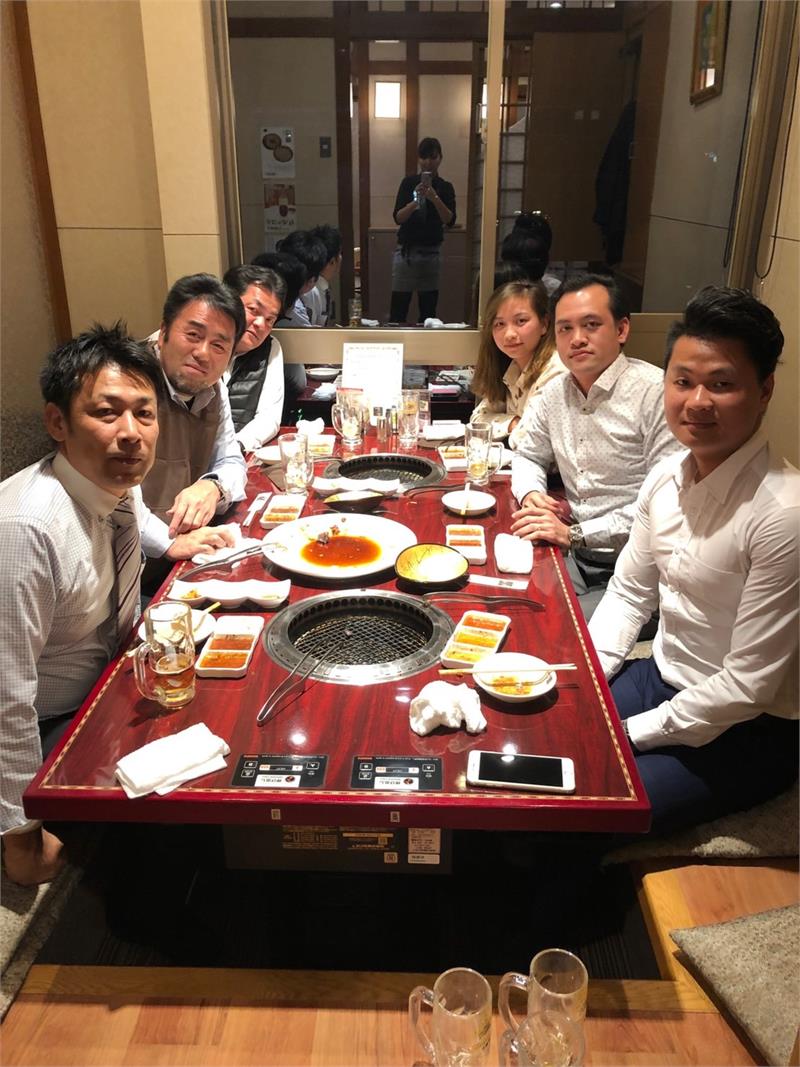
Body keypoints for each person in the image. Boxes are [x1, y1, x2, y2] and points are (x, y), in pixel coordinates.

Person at [589, 286, 798, 834]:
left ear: (764, 390)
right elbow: (629, 593)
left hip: (748, 728)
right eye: (682, 381)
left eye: (721, 384)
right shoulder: (665, 478)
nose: (697, 401)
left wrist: (631, 733)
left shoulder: (784, 515)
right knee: (549, 737)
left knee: (589, 804)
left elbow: (747, 687)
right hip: (658, 675)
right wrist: (589, 679)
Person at [0, 325, 164, 885]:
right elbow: (6, 696)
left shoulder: (113, 485)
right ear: (57, 422)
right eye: (107, 413)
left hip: (105, 682)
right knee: (158, 827)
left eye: (145, 414)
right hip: (50, 718)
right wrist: (22, 836)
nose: (131, 434)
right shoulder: (27, 529)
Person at [510, 273, 680, 618]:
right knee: (510, 600)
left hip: (642, 572)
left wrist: (575, 533)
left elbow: (667, 507)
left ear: (622, 330)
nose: (577, 339)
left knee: (551, 625)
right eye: (565, 329)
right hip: (577, 557)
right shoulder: (555, 393)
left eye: (591, 325)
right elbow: (528, 454)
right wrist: (531, 494)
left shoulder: (656, 395)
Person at [139, 274, 246, 557]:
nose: (203, 353)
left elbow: (231, 460)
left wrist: (213, 486)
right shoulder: (131, 383)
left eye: (219, 346)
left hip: (185, 550)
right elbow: (112, 494)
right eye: (193, 335)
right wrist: (167, 543)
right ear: (163, 332)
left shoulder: (213, 387)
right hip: (130, 564)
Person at [470, 280, 565, 448]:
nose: (509, 334)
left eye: (521, 321)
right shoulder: (512, 366)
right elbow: (477, 420)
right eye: (500, 324)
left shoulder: (555, 370)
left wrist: (510, 426)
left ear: (544, 324)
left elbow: (528, 439)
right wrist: (513, 422)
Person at [389, 137, 456, 324]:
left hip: (431, 254)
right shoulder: (408, 183)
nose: (428, 162)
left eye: (433, 157)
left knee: (428, 312)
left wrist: (434, 198)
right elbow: (398, 218)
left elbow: (450, 220)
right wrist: (415, 201)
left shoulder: (445, 187)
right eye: (424, 157)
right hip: (405, 253)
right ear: (418, 159)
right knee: (398, 309)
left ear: (440, 158)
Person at [221, 264, 287, 453]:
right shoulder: (190, 345)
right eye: (253, 310)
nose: (260, 324)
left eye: (270, 319)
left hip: (236, 456)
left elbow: (269, 417)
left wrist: (235, 448)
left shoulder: (269, 348)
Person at [304, 224, 342, 326]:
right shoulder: (310, 290)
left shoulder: (322, 287)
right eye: (339, 253)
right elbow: (309, 330)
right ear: (332, 261)